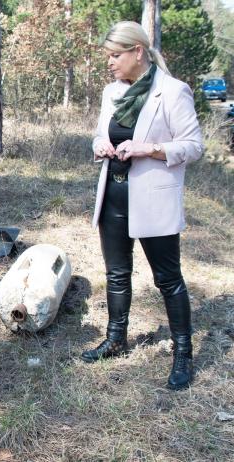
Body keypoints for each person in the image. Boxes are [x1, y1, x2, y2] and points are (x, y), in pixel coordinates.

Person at [81, 21, 204, 391]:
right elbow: (101, 133)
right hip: (114, 197)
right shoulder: (111, 92)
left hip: (153, 199)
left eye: (115, 55)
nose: (109, 63)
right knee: (117, 274)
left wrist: (149, 148)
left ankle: (183, 353)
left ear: (138, 52)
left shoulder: (172, 91)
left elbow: (194, 146)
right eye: (107, 56)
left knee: (168, 279)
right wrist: (99, 145)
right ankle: (115, 339)